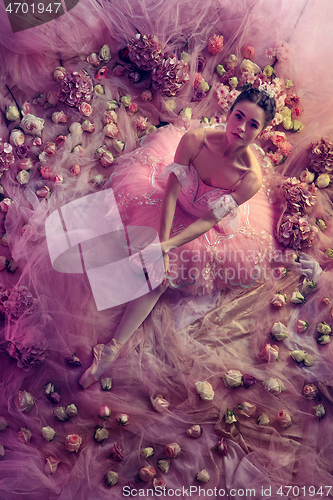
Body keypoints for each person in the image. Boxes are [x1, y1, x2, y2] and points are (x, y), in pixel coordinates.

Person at [78, 88, 277, 388]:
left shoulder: (250, 177)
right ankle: (110, 340)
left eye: (253, 124)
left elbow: (211, 219)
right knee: (121, 248)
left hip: (201, 226)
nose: (241, 128)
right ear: (229, 112)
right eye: (239, 116)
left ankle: (111, 350)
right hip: (167, 203)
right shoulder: (195, 141)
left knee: (159, 280)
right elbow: (171, 191)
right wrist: (162, 242)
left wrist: (167, 247)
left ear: (262, 131)